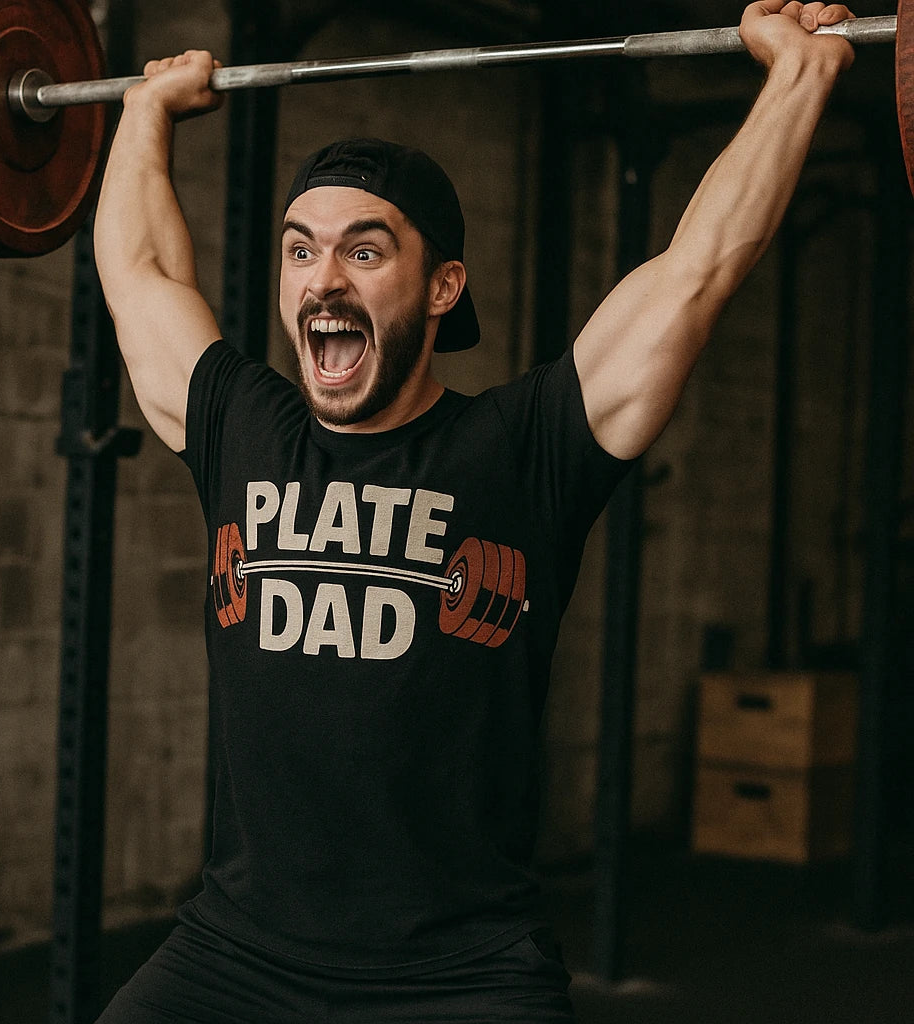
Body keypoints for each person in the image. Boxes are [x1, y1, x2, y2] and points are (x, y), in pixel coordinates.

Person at [92, 3, 856, 1020]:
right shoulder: (244, 428)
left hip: (457, 976)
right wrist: (144, 112)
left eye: (366, 252)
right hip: (237, 953)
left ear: (443, 286)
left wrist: (797, 77)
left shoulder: (523, 447)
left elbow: (696, 274)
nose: (324, 279)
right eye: (300, 250)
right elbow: (138, 274)